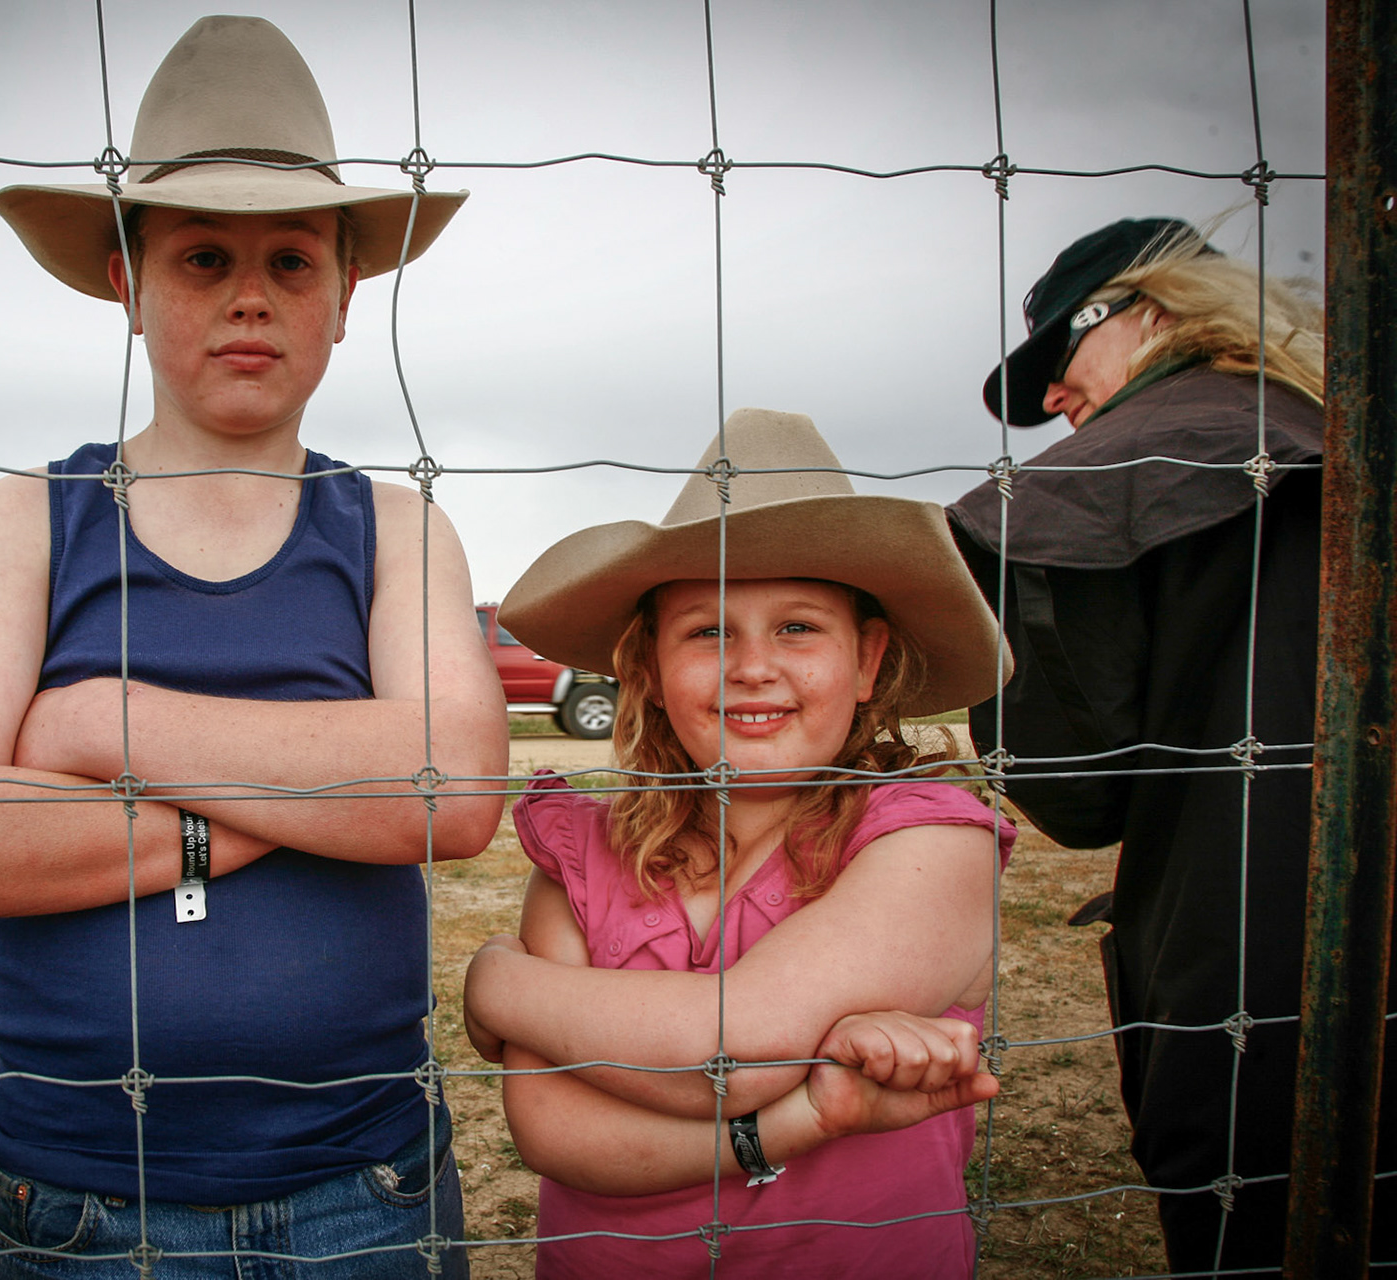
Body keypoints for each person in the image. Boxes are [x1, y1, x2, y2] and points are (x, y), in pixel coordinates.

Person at [0, 16, 505, 1280]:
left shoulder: (397, 527)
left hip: (360, 1189)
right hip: (78, 1202)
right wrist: (300, 799)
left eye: (292, 262)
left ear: (346, 299)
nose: (250, 294)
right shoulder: (22, 521)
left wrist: (101, 724)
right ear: (128, 283)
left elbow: (455, 787)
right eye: (204, 256)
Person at [462, 410, 1016, 1278]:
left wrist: (501, 985)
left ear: (868, 661)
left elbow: (733, 1054)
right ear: (647, 666)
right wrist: (810, 1117)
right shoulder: (584, 848)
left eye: (798, 627)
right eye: (709, 630)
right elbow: (552, 1130)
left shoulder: (930, 843)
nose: (753, 665)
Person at [948, 216, 1388, 1274]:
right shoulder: (1354, 436)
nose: (1052, 400)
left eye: (1061, 358)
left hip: (1243, 982)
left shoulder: (1070, 499)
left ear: (1152, 310)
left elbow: (1078, 794)